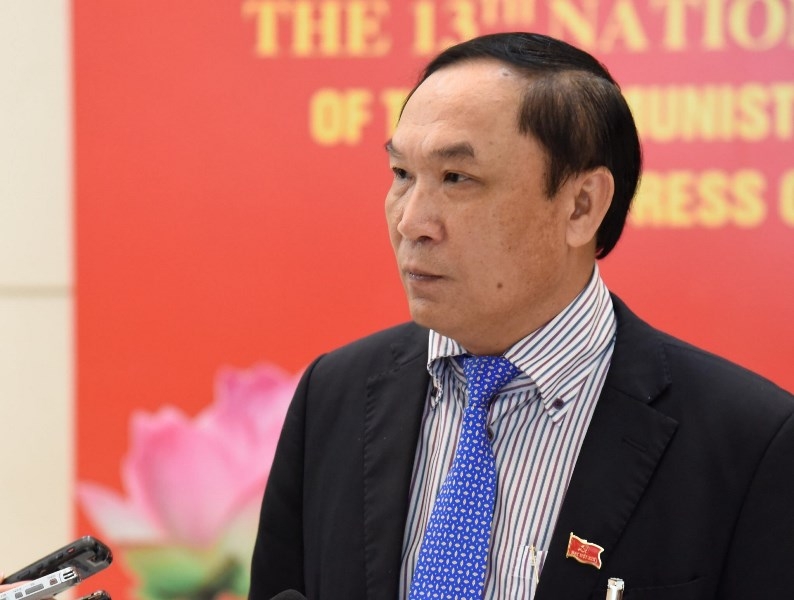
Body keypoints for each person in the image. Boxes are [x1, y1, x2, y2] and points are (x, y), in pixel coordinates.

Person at [248, 32, 794, 600]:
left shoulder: (751, 444)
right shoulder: (333, 395)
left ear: (581, 206)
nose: (411, 222)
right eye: (402, 174)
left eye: (457, 179)